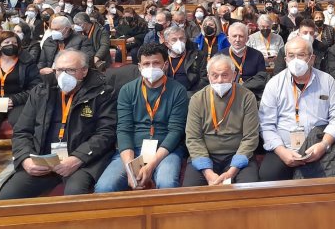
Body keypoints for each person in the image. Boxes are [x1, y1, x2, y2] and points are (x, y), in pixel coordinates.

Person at [0, 49, 116, 199]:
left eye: (70, 70)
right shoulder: (40, 92)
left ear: (84, 71)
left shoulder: (102, 93)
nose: (63, 75)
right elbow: (22, 131)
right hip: (43, 160)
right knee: (7, 196)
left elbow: (106, 133)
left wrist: (77, 159)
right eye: (59, 70)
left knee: (74, 194)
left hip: (81, 162)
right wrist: (25, 159)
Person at [94, 43, 188, 192]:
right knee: (104, 187)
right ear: (139, 67)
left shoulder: (178, 91)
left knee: (167, 183)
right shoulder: (127, 90)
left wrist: (150, 166)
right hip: (134, 149)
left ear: (165, 65)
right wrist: (131, 168)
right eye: (146, 64)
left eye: (156, 63)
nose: (151, 67)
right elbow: (124, 129)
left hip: (166, 150)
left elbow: (176, 131)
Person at [258, 38, 335, 181]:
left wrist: (324, 145)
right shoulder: (274, 84)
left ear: (311, 59)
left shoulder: (327, 81)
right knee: (269, 175)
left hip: (319, 144)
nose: (295, 60)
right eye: (291, 56)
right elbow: (266, 125)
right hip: (285, 147)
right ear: (285, 59)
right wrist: (282, 152)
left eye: (301, 55)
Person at [183, 55, 260, 186]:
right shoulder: (197, 99)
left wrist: (232, 171)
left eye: (225, 75)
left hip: (238, 153)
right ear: (208, 76)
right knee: (190, 192)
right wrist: (208, 173)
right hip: (206, 154)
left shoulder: (247, 97)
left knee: (250, 190)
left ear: (234, 75)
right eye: (215, 75)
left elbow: (250, 137)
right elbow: (193, 138)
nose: (219, 81)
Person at [0, 32, 41, 181]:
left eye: (14, 42)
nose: (10, 45)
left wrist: (14, 99)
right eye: (6, 43)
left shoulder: (27, 62)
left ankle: (24, 161)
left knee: (19, 124)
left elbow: (35, 86)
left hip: (18, 102)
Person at [218, 23, 268, 100]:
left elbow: (261, 78)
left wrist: (243, 87)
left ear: (247, 39)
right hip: (226, 94)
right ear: (228, 38)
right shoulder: (220, 56)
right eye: (234, 36)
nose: (237, 40)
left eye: (241, 36)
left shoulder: (257, 55)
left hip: (251, 94)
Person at [162, 26, 208, 94]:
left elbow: (204, 78)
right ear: (167, 44)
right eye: (174, 40)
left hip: (190, 94)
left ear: (186, 40)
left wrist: (191, 94)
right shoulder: (162, 57)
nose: (179, 42)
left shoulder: (198, 55)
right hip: (167, 94)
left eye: (181, 38)